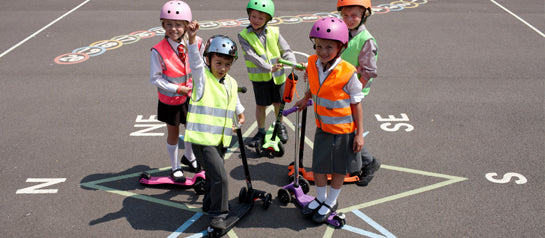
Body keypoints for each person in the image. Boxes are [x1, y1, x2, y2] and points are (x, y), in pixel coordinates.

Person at [294, 17, 364, 224]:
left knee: (338, 169)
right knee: (319, 167)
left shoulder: (348, 73)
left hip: (343, 131)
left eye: (329, 47)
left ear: (340, 47)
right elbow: (315, 85)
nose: (323, 51)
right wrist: (305, 97)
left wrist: (359, 134)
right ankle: (321, 198)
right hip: (323, 127)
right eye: (319, 46)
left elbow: (357, 105)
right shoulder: (311, 62)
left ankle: (331, 201)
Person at [185, 21, 246, 230]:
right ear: (208, 60)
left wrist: (240, 111)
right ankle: (219, 214)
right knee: (221, 177)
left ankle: (209, 204)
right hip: (202, 140)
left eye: (227, 64)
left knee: (214, 175)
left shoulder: (230, 81)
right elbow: (194, 61)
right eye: (218, 63)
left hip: (220, 139)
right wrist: (192, 39)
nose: (223, 68)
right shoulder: (202, 79)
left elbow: (233, 97)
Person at [149, 0, 201, 183]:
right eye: (168, 24)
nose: (173, 28)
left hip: (190, 96)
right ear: (163, 24)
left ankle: (189, 156)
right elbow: (155, 78)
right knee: (173, 133)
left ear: (187, 25)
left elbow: (198, 65)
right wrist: (177, 88)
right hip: (170, 100)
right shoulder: (158, 50)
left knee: (190, 128)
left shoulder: (195, 42)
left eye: (178, 24)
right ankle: (175, 166)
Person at [238, 0, 300, 147]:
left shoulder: (274, 32)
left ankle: (280, 126)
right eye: (253, 16)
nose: (256, 21)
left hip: (278, 77)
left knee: (279, 103)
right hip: (260, 78)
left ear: (267, 19)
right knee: (261, 105)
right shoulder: (244, 35)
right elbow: (252, 56)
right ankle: (261, 131)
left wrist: (293, 63)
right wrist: (269, 67)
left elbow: (286, 50)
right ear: (249, 15)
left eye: (261, 18)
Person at [337, 0, 381, 186]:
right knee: (342, 129)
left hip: (353, 92)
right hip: (339, 89)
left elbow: (369, 71)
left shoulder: (366, 40)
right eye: (345, 15)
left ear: (365, 15)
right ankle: (354, 162)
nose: (349, 19)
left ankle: (369, 162)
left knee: (348, 131)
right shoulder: (342, 32)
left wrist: (355, 93)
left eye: (354, 15)